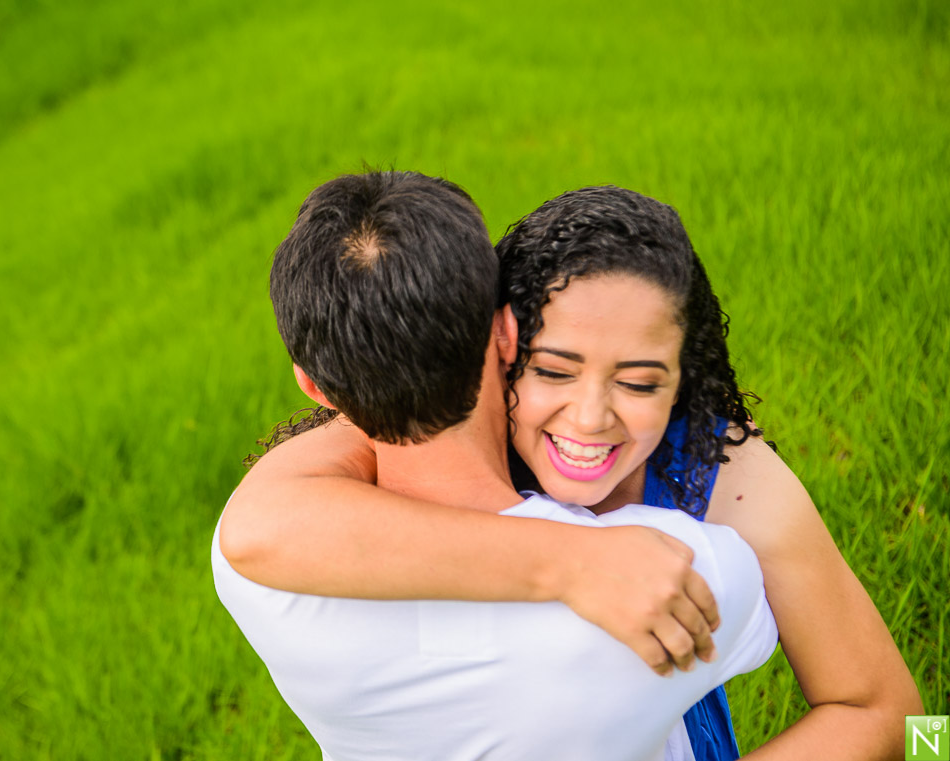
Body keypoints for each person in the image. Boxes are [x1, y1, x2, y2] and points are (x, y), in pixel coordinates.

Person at [219, 184, 923, 760]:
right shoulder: (697, 562)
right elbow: (918, 726)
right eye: (554, 369)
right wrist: (575, 561)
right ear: (502, 339)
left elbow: (924, 728)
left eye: (640, 382)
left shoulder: (730, 483)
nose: (589, 420)